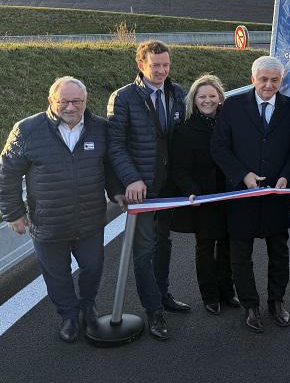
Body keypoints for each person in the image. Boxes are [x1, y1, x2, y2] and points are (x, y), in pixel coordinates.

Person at [0, 77, 122, 342]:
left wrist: (117, 193)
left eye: (77, 101)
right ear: (51, 102)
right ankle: (68, 315)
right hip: (48, 222)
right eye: (63, 101)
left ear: (85, 102)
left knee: (92, 267)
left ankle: (88, 305)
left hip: (90, 219)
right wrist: (13, 213)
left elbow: (111, 167)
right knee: (57, 275)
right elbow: (7, 173)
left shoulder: (100, 128)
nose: (70, 107)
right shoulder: (26, 130)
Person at [211, 57, 290, 332]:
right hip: (241, 194)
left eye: (274, 80)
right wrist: (243, 175)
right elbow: (219, 147)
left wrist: (287, 174)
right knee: (241, 254)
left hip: (277, 193)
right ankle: (250, 305)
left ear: (281, 81)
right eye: (263, 79)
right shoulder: (233, 107)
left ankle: (276, 301)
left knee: (279, 252)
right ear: (253, 79)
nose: (268, 84)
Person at [107, 40, 187, 340]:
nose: (162, 71)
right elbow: (115, 145)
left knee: (164, 243)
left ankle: (163, 294)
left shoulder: (177, 93)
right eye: (156, 66)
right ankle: (153, 311)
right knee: (144, 249)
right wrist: (130, 179)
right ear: (141, 65)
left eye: (166, 65)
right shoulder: (124, 98)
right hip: (140, 188)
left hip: (169, 187)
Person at [168, 74, 237, 317]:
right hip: (203, 197)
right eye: (202, 96)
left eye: (212, 95)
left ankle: (228, 291)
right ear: (194, 100)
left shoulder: (230, 124)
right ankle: (210, 295)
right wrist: (193, 192)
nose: (207, 100)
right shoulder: (185, 130)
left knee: (229, 244)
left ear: (220, 98)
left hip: (229, 193)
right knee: (205, 246)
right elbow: (179, 168)